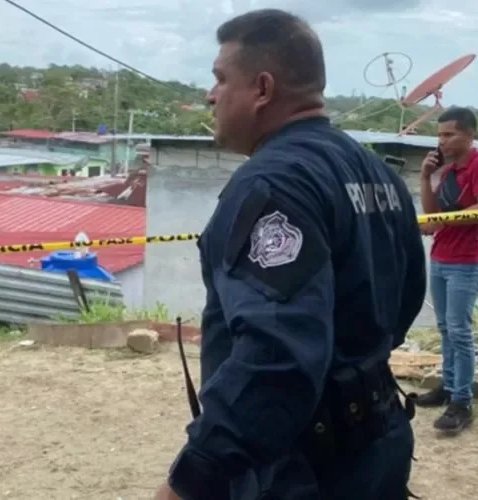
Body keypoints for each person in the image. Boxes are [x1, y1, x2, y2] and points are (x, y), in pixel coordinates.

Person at [154, 8, 426, 500]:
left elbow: (276, 358)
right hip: (377, 442)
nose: (209, 94)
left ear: (262, 88)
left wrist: (193, 479)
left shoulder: (274, 184)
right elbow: (404, 304)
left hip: (304, 469)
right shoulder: (377, 173)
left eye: (219, 78)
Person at [415, 107, 478, 433]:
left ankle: (462, 401)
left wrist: (442, 221)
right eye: (439, 135)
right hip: (441, 256)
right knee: (445, 328)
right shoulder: (449, 172)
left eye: (449, 134)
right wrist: (426, 177)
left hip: (466, 259)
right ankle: (448, 387)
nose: (443, 141)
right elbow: (431, 215)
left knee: (459, 330)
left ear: (470, 135)